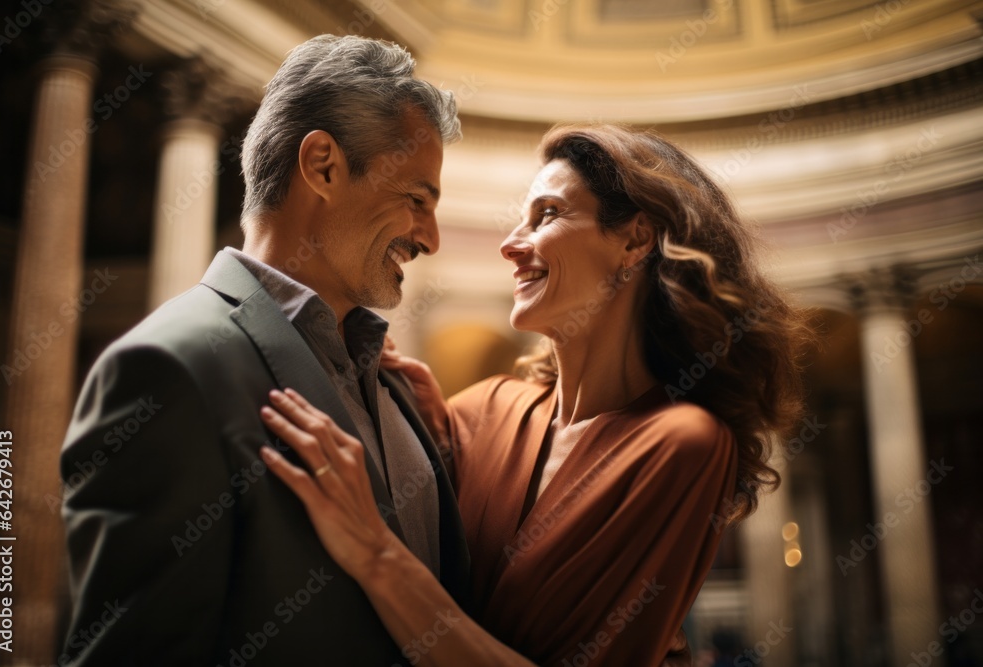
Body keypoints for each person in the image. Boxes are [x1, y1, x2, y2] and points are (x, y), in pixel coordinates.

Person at [259, 124, 811, 666]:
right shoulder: (486, 406)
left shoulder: (681, 443)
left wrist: (375, 554)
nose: (509, 244)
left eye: (546, 215)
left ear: (635, 239)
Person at [59, 35, 471, 665]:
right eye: (417, 200)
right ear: (323, 166)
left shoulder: (393, 384)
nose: (431, 238)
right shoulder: (165, 369)